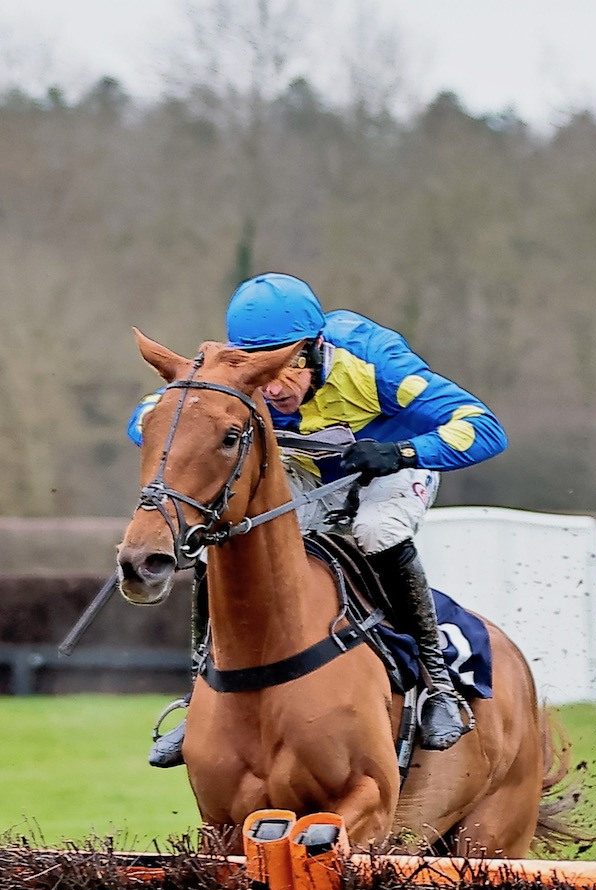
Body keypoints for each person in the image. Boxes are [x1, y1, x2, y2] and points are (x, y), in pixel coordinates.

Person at [130, 272, 507, 767]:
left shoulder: (377, 363)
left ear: (315, 348)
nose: (274, 388)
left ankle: (438, 685)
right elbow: (146, 420)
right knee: (223, 538)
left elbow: (484, 428)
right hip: (304, 476)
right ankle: (202, 694)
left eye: (286, 369)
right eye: (261, 371)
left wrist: (402, 451)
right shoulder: (233, 372)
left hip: (388, 473)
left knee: (376, 532)